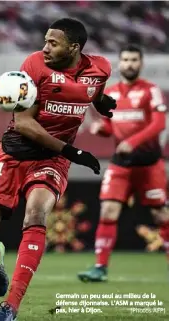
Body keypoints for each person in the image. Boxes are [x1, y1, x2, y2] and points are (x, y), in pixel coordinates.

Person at [0, 18, 116, 321]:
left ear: (73, 48)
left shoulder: (100, 69)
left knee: (36, 214)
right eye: (45, 40)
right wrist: (74, 151)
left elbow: (93, 90)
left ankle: (11, 307)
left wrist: (100, 102)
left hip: (51, 161)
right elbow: (24, 124)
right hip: (13, 154)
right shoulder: (34, 65)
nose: (44, 48)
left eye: (53, 43)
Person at [77, 44, 169, 282]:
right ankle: (99, 267)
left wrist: (134, 141)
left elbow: (159, 124)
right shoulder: (111, 93)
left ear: (141, 63)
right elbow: (112, 126)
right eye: (125, 60)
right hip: (121, 163)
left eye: (134, 60)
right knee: (108, 210)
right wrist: (101, 129)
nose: (129, 64)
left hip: (149, 163)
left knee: (161, 215)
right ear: (120, 64)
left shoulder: (152, 90)